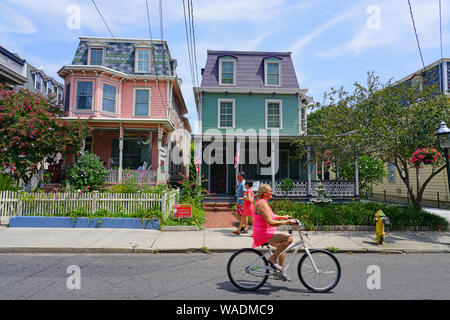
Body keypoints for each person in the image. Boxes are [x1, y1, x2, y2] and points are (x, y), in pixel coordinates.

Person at [252, 184, 297, 281]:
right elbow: (271, 222)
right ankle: (273, 259)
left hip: (266, 231)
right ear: (264, 193)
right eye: (270, 191)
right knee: (289, 238)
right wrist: (287, 222)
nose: (272, 193)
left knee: (283, 247)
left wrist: (283, 217)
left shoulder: (263, 202)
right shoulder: (262, 204)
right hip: (263, 233)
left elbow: (271, 215)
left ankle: (281, 272)